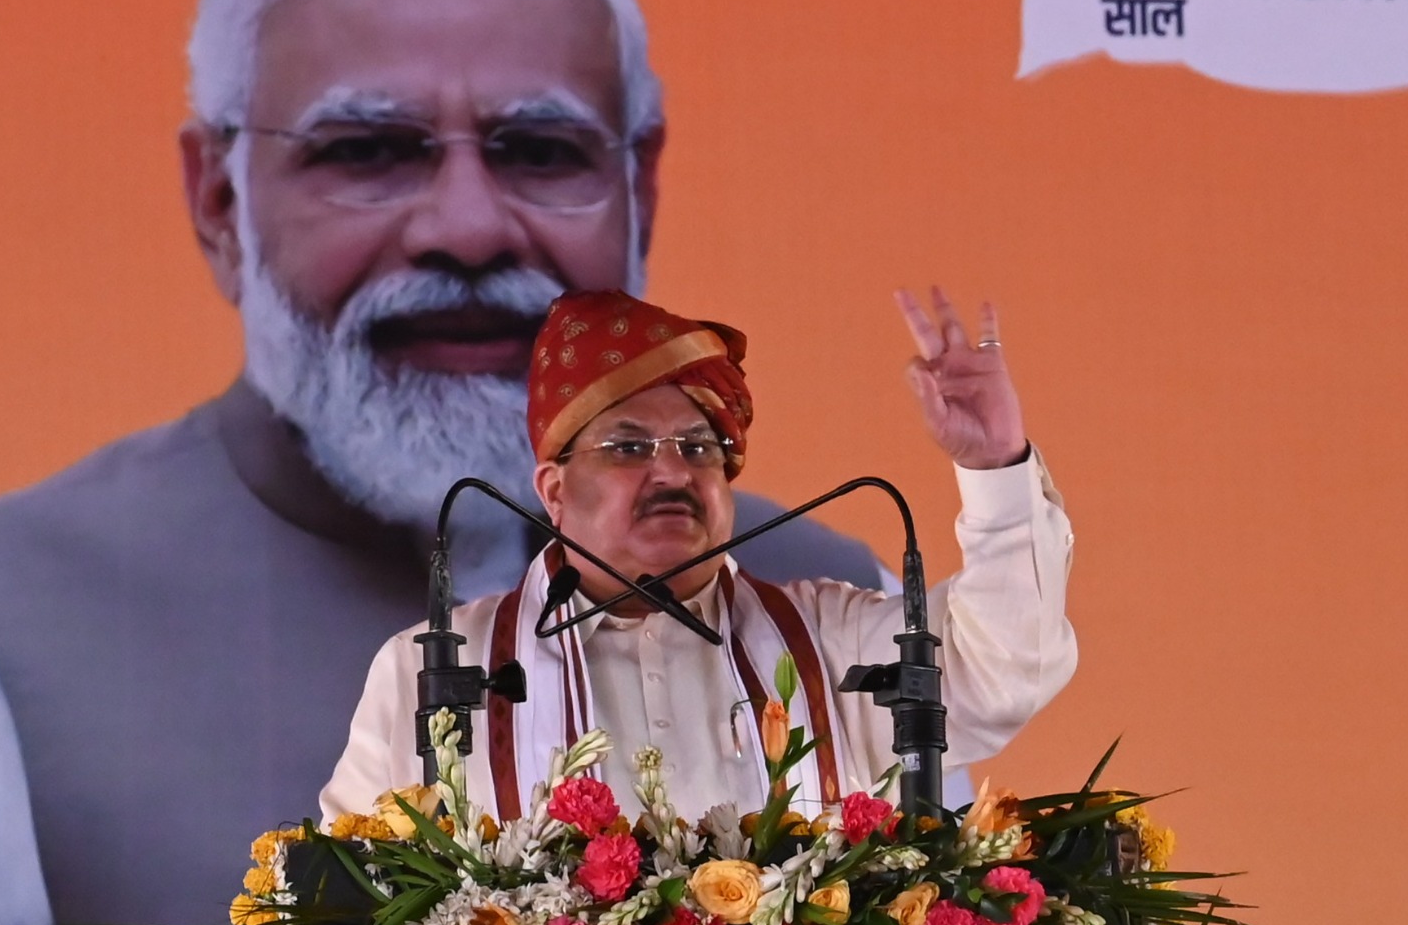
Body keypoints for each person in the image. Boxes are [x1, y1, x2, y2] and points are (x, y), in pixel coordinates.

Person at [0, 0, 917, 925]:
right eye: (367, 150)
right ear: (219, 202)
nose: (466, 228)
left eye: (540, 150)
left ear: (638, 187)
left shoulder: (838, 608)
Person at [322, 289, 1076, 825]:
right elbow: (348, 906)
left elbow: (1004, 666)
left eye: (700, 447)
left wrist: (997, 468)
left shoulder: (830, 641)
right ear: (553, 489)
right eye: (628, 447)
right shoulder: (437, 673)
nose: (673, 472)